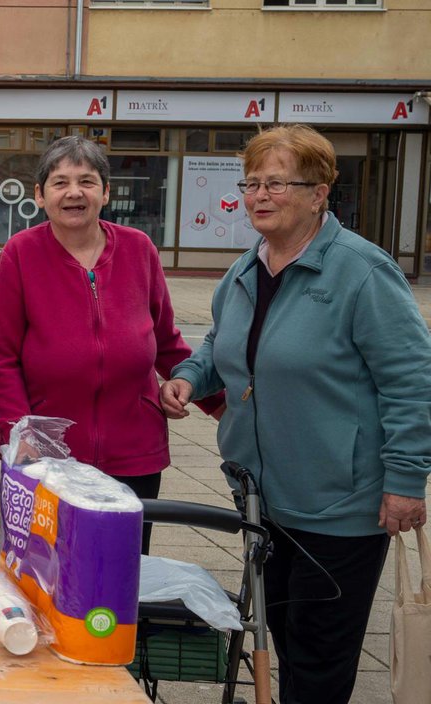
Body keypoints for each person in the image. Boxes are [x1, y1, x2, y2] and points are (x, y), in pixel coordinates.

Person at [160, 124, 431, 704]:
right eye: (252, 182)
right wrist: (189, 375)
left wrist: (406, 480)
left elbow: (411, 380)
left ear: (319, 192)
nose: (259, 195)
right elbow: (223, 345)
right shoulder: (245, 269)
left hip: (340, 503)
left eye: (277, 183)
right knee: (282, 639)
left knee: (318, 656)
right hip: (263, 498)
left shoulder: (362, 271)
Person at [0, 135, 221, 551]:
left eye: (87, 181)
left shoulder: (138, 249)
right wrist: (18, 435)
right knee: (49, 573)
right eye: (60, 183)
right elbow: (1, 358)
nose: (74, 192)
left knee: (123, 570)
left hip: (135, 452)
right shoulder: (20, 253)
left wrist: (216, 401)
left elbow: (166, 341)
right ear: (40, 195)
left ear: (105, 191)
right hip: (50, 457)